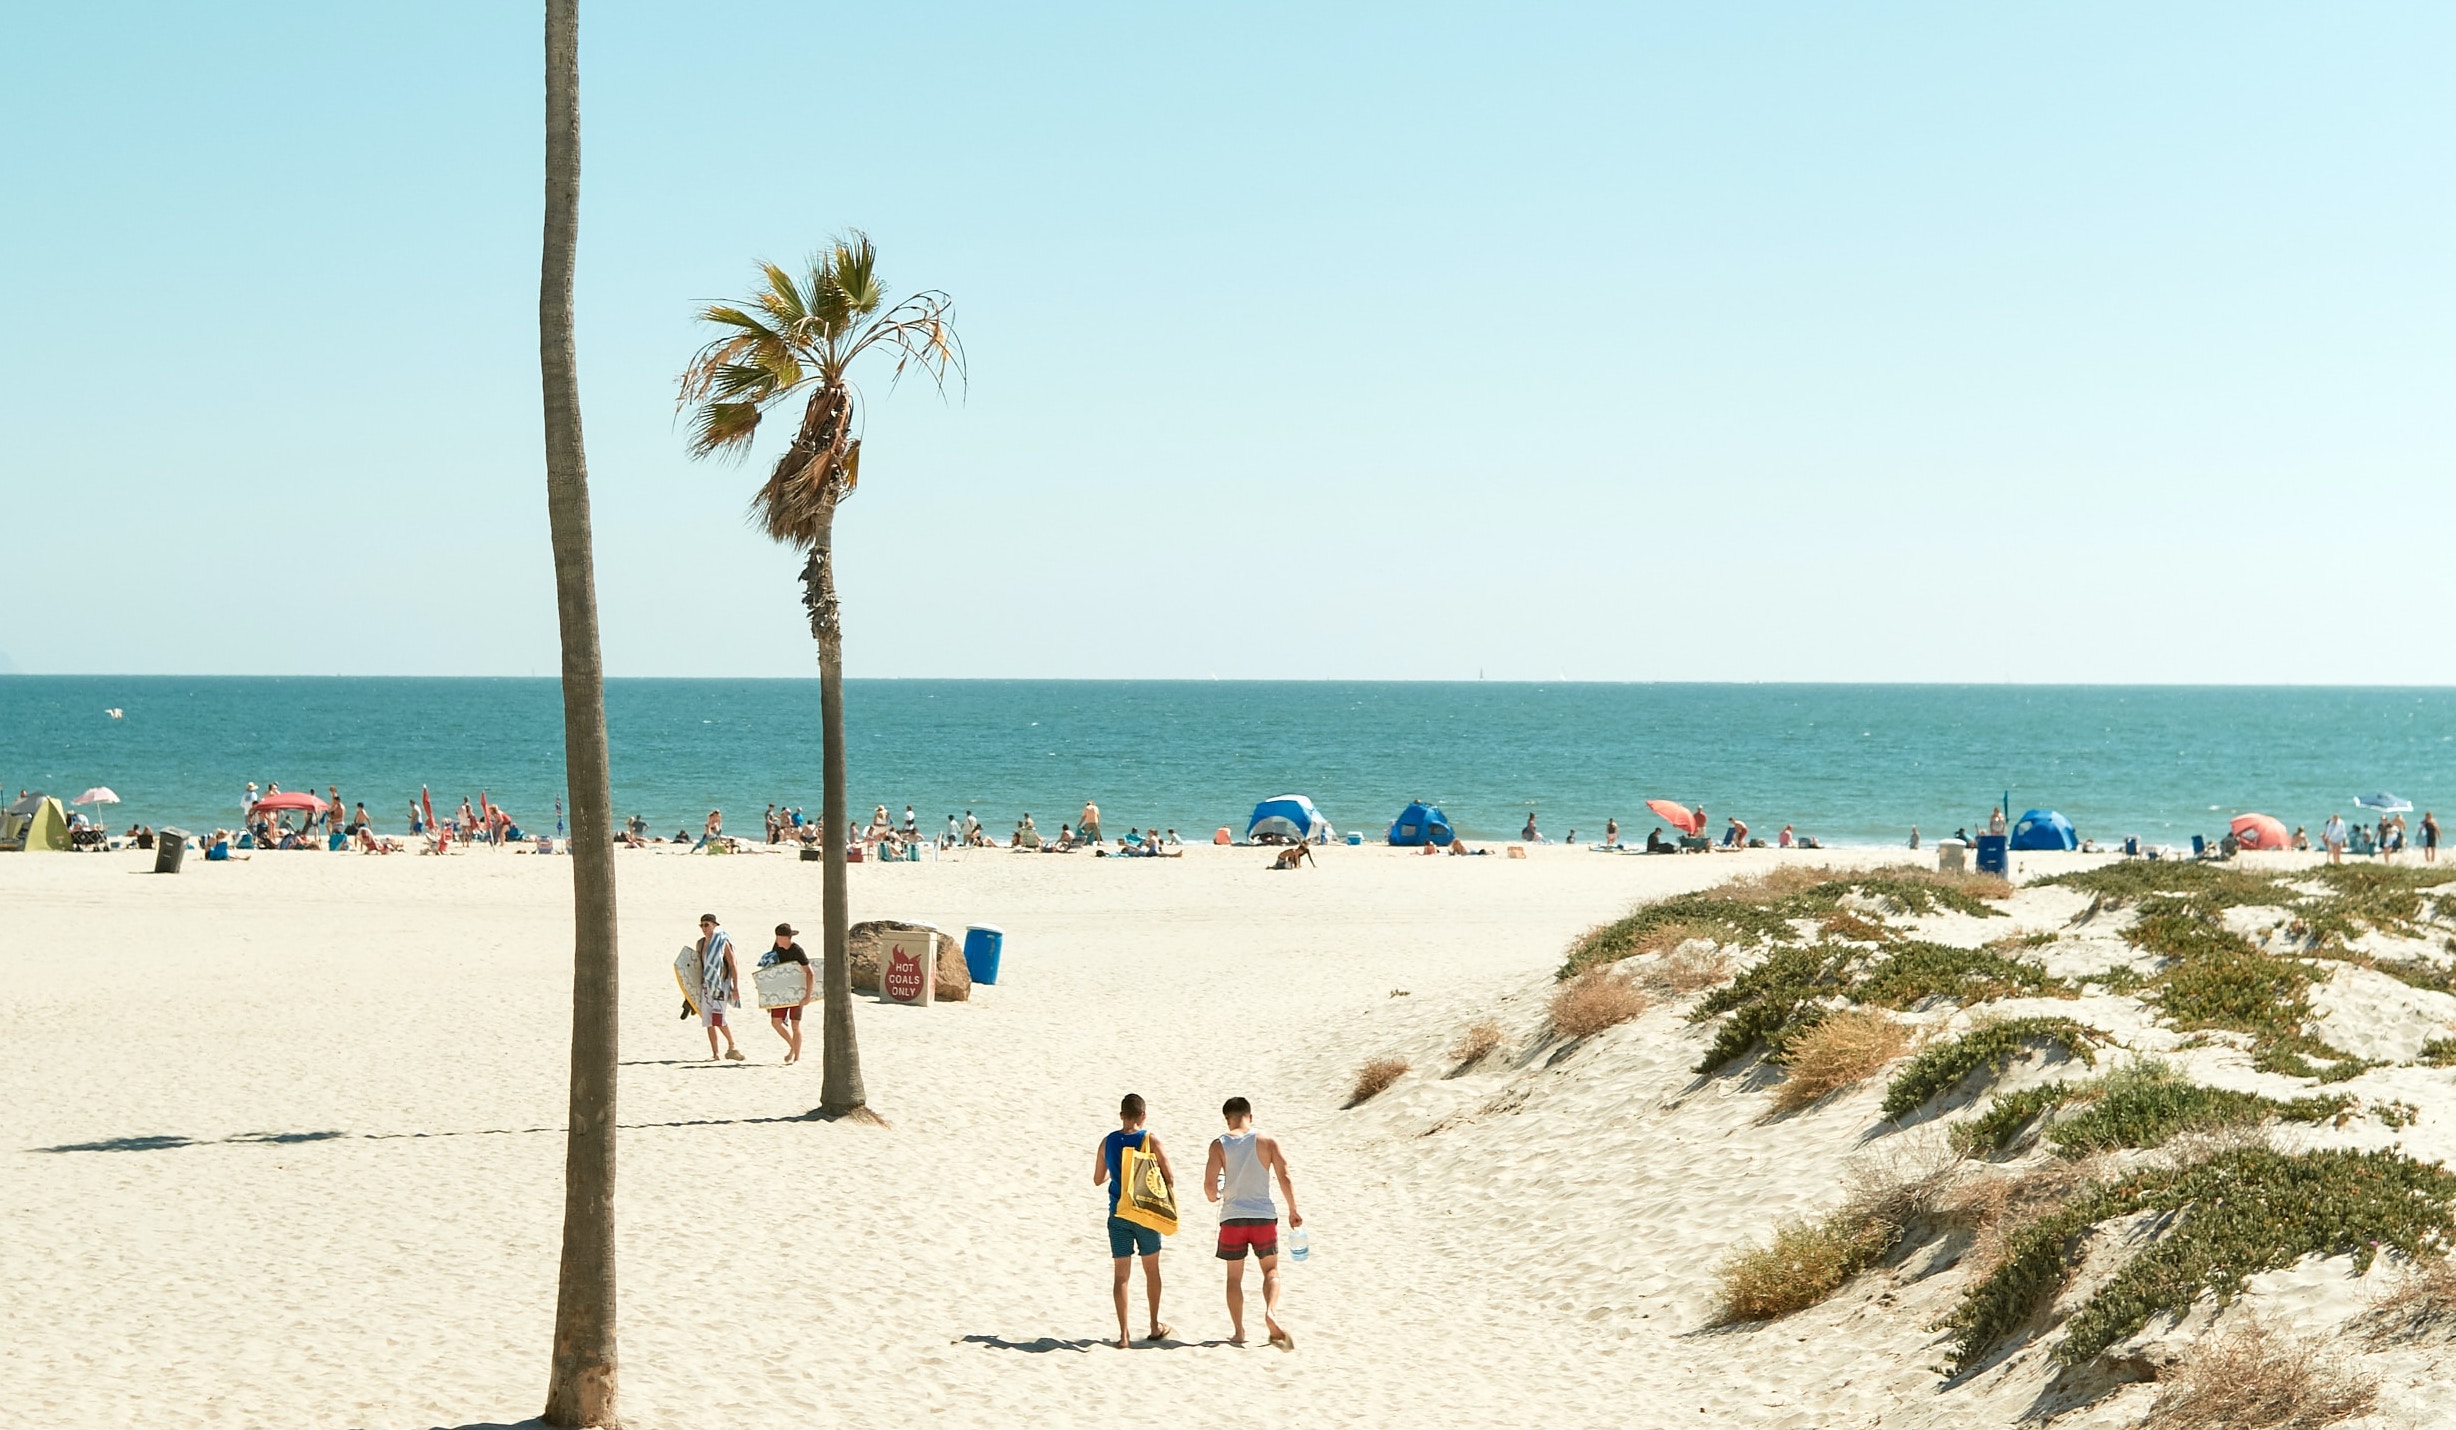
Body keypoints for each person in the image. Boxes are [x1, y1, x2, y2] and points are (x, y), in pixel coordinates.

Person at [1203, 1096, 1303, 1351]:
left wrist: (1216, 1195)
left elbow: (1209, 1187)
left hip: (1232, 1218)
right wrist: (1293, 1210)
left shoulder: (1218, 1144)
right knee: (1271, 1271)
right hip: (1263, 1217)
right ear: (1251, 1115)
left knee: (1234, 1277)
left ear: (1227, 1119)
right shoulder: (1267, 1141)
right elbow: (1285, 1175)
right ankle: (1270, 1312)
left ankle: (1238, 1332)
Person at [1093, 1093, 1175, 1350]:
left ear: (1121, 1115)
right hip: (1145, 1213)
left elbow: (1097, 1179)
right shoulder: (1150, 1138)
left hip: (1118, 1213)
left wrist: (1115, 1176)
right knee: (1152, 1270)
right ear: (1143, 1115)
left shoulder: (1108, 1141)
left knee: (1121, 1276)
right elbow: (1169, 1176)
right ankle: (1153, 1325)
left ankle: (1124, 1335)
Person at [758, 923, 811, 1063]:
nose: (777, 940)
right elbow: (772, 969)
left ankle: (797, 1058)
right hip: (781, 992)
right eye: (776, 937)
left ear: (786, 938)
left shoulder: (797, 951)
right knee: (776, 1022)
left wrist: (807, 996)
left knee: (795, 1025)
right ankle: (793, 1047)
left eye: (779, 937)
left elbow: (809, 973)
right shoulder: (777, 947)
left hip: (797, 992)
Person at [694, 914, 744, 1061]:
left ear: (714, 925)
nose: (704, 928)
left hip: (721, 985)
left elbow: (733, 964)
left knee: (718, 1018)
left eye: (706, 925)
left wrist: (736, 987)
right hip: (706, 985)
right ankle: (715, 1054)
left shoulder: (722, 941)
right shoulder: (700, 943)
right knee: (708, 1020)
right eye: (701, 925)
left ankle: (732, 1046)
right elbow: (697, 967)